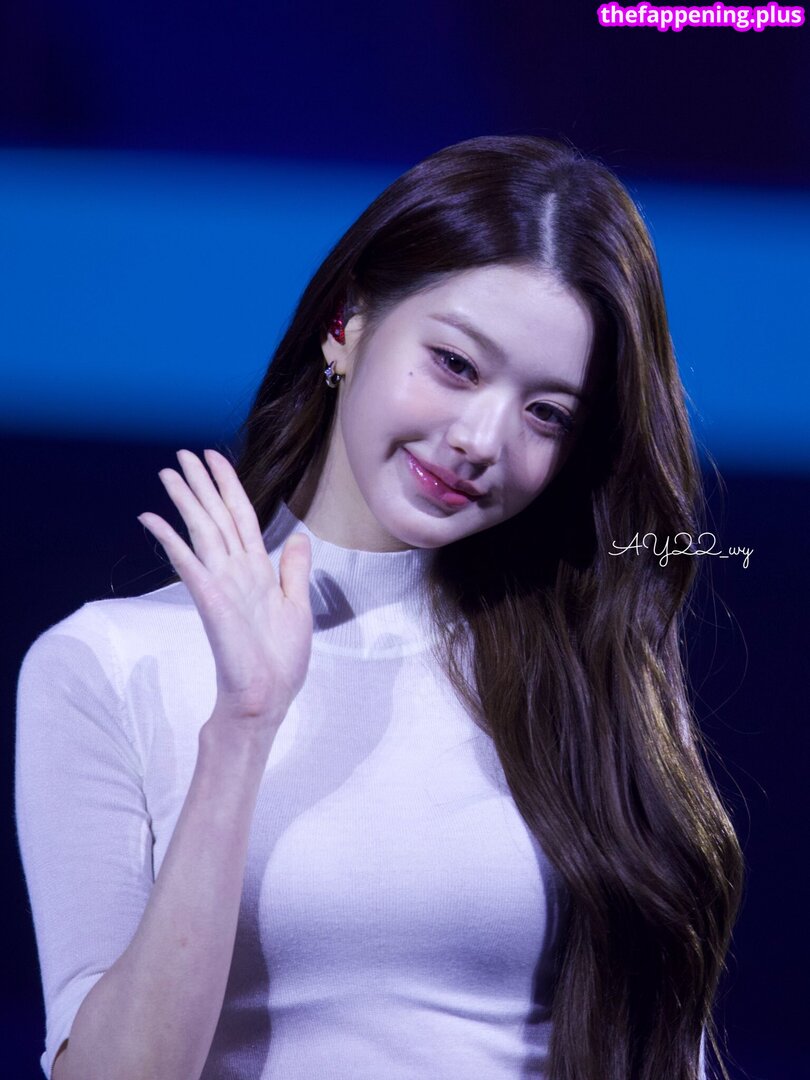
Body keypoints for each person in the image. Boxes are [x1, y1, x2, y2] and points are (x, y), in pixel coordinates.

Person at [15, 134, 743, 1080]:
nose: (481, 438)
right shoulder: (107, 665)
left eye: (547, 413)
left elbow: (662, 1048)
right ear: (346, 324)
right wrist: (243, 725)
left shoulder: (592, 669)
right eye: (455, 364)